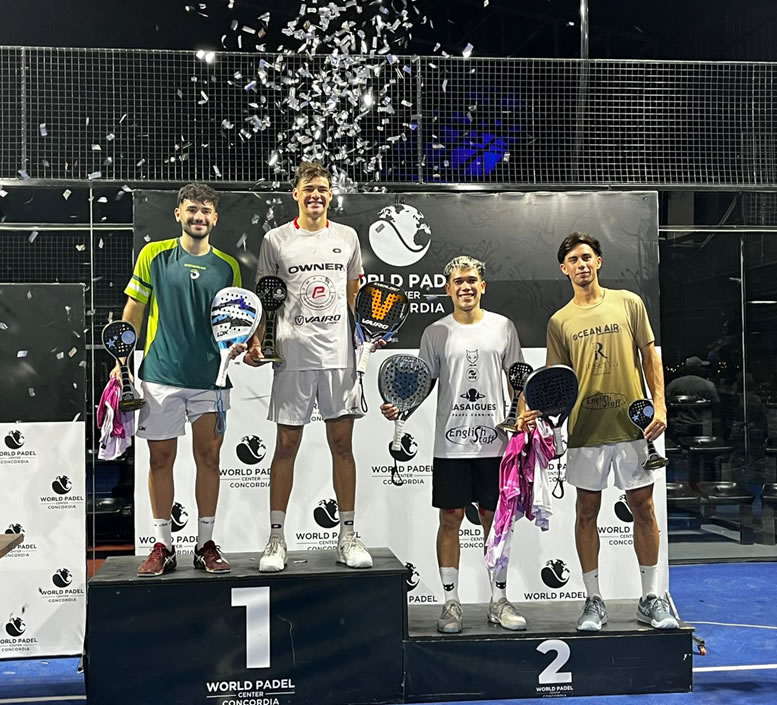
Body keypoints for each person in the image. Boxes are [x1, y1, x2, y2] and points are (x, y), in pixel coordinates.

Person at [381, 256, 536, 634]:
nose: (465, 287)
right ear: (448, 288)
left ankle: (498, 600)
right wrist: (401, 406)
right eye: (457, 281)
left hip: (495, 445)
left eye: (471, 280)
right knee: (449, 519)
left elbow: (518, 379)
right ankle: (451, 603)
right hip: (450, 446)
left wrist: (521, 415)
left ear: (482, 286)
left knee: (494, 521)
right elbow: (421, 382)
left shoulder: (503, 327)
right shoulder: (435, 332)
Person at [545, 232, 678, 631]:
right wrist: (546, 421)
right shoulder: (559, 321)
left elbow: (650, 355)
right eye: (573, 259)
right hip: (585, 431)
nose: (581, 264)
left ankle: (651, 598)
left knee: (644, 508)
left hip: (633, 427)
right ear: (564, 269)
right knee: (586, 513)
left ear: (598, 262)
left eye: (587, 257)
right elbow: (557, 381)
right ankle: (593, 600)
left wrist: (660, 404)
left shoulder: (628, 302)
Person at [245, 161, 372, 572]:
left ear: (330, 195)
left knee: (342, 447)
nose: (316, 195)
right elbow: (265, 296)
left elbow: (354, 294)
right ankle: (276, 540)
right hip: (291, 356)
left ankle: (347, 536)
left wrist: (365, 334)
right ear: (295, 194)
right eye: (308, 188)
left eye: (322, 189)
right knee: (285, 447)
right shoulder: (275, 240)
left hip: (339, 357)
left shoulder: (347, 237)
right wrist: (257, 340)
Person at [120, 182, 241, 577]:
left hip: (211, 379)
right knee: (160, 460)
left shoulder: (228, 267)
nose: (198, 216)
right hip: (160, 376)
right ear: (178, 214)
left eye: (205, 211)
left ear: (215, 218)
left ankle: (205, 544)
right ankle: (163, 545)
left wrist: (241, 345)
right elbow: (134, 309)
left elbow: (234, 321)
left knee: (210, 459)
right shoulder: (153, 255)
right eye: (192, 209)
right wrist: (122, 359)